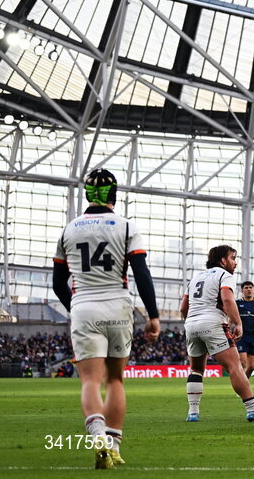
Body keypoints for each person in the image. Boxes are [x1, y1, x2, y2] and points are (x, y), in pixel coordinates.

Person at [52, 168, 161, 469]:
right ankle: (114, 446)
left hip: (85, 306)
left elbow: (57, 283)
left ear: (87, 194)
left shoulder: (68, 230)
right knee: (115, 379)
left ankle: (97, 435)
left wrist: (74, 305)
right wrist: (153, 316)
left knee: (89, 380)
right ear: (115, 195)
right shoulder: (126, 227)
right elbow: (141, 272)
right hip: (118, 306)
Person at [181, 245, 254, 423]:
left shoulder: (195, 278)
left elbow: (183, 307)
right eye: (233, 258)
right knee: (235, 367)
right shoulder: (225, 275)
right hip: (213, 322)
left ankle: (193, 413)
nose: (235, 262)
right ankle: (253, 409)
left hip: (191, 324)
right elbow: (226, 298)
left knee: (196, 369)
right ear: (223, 260)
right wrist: (238, 323)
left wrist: (193, 322)